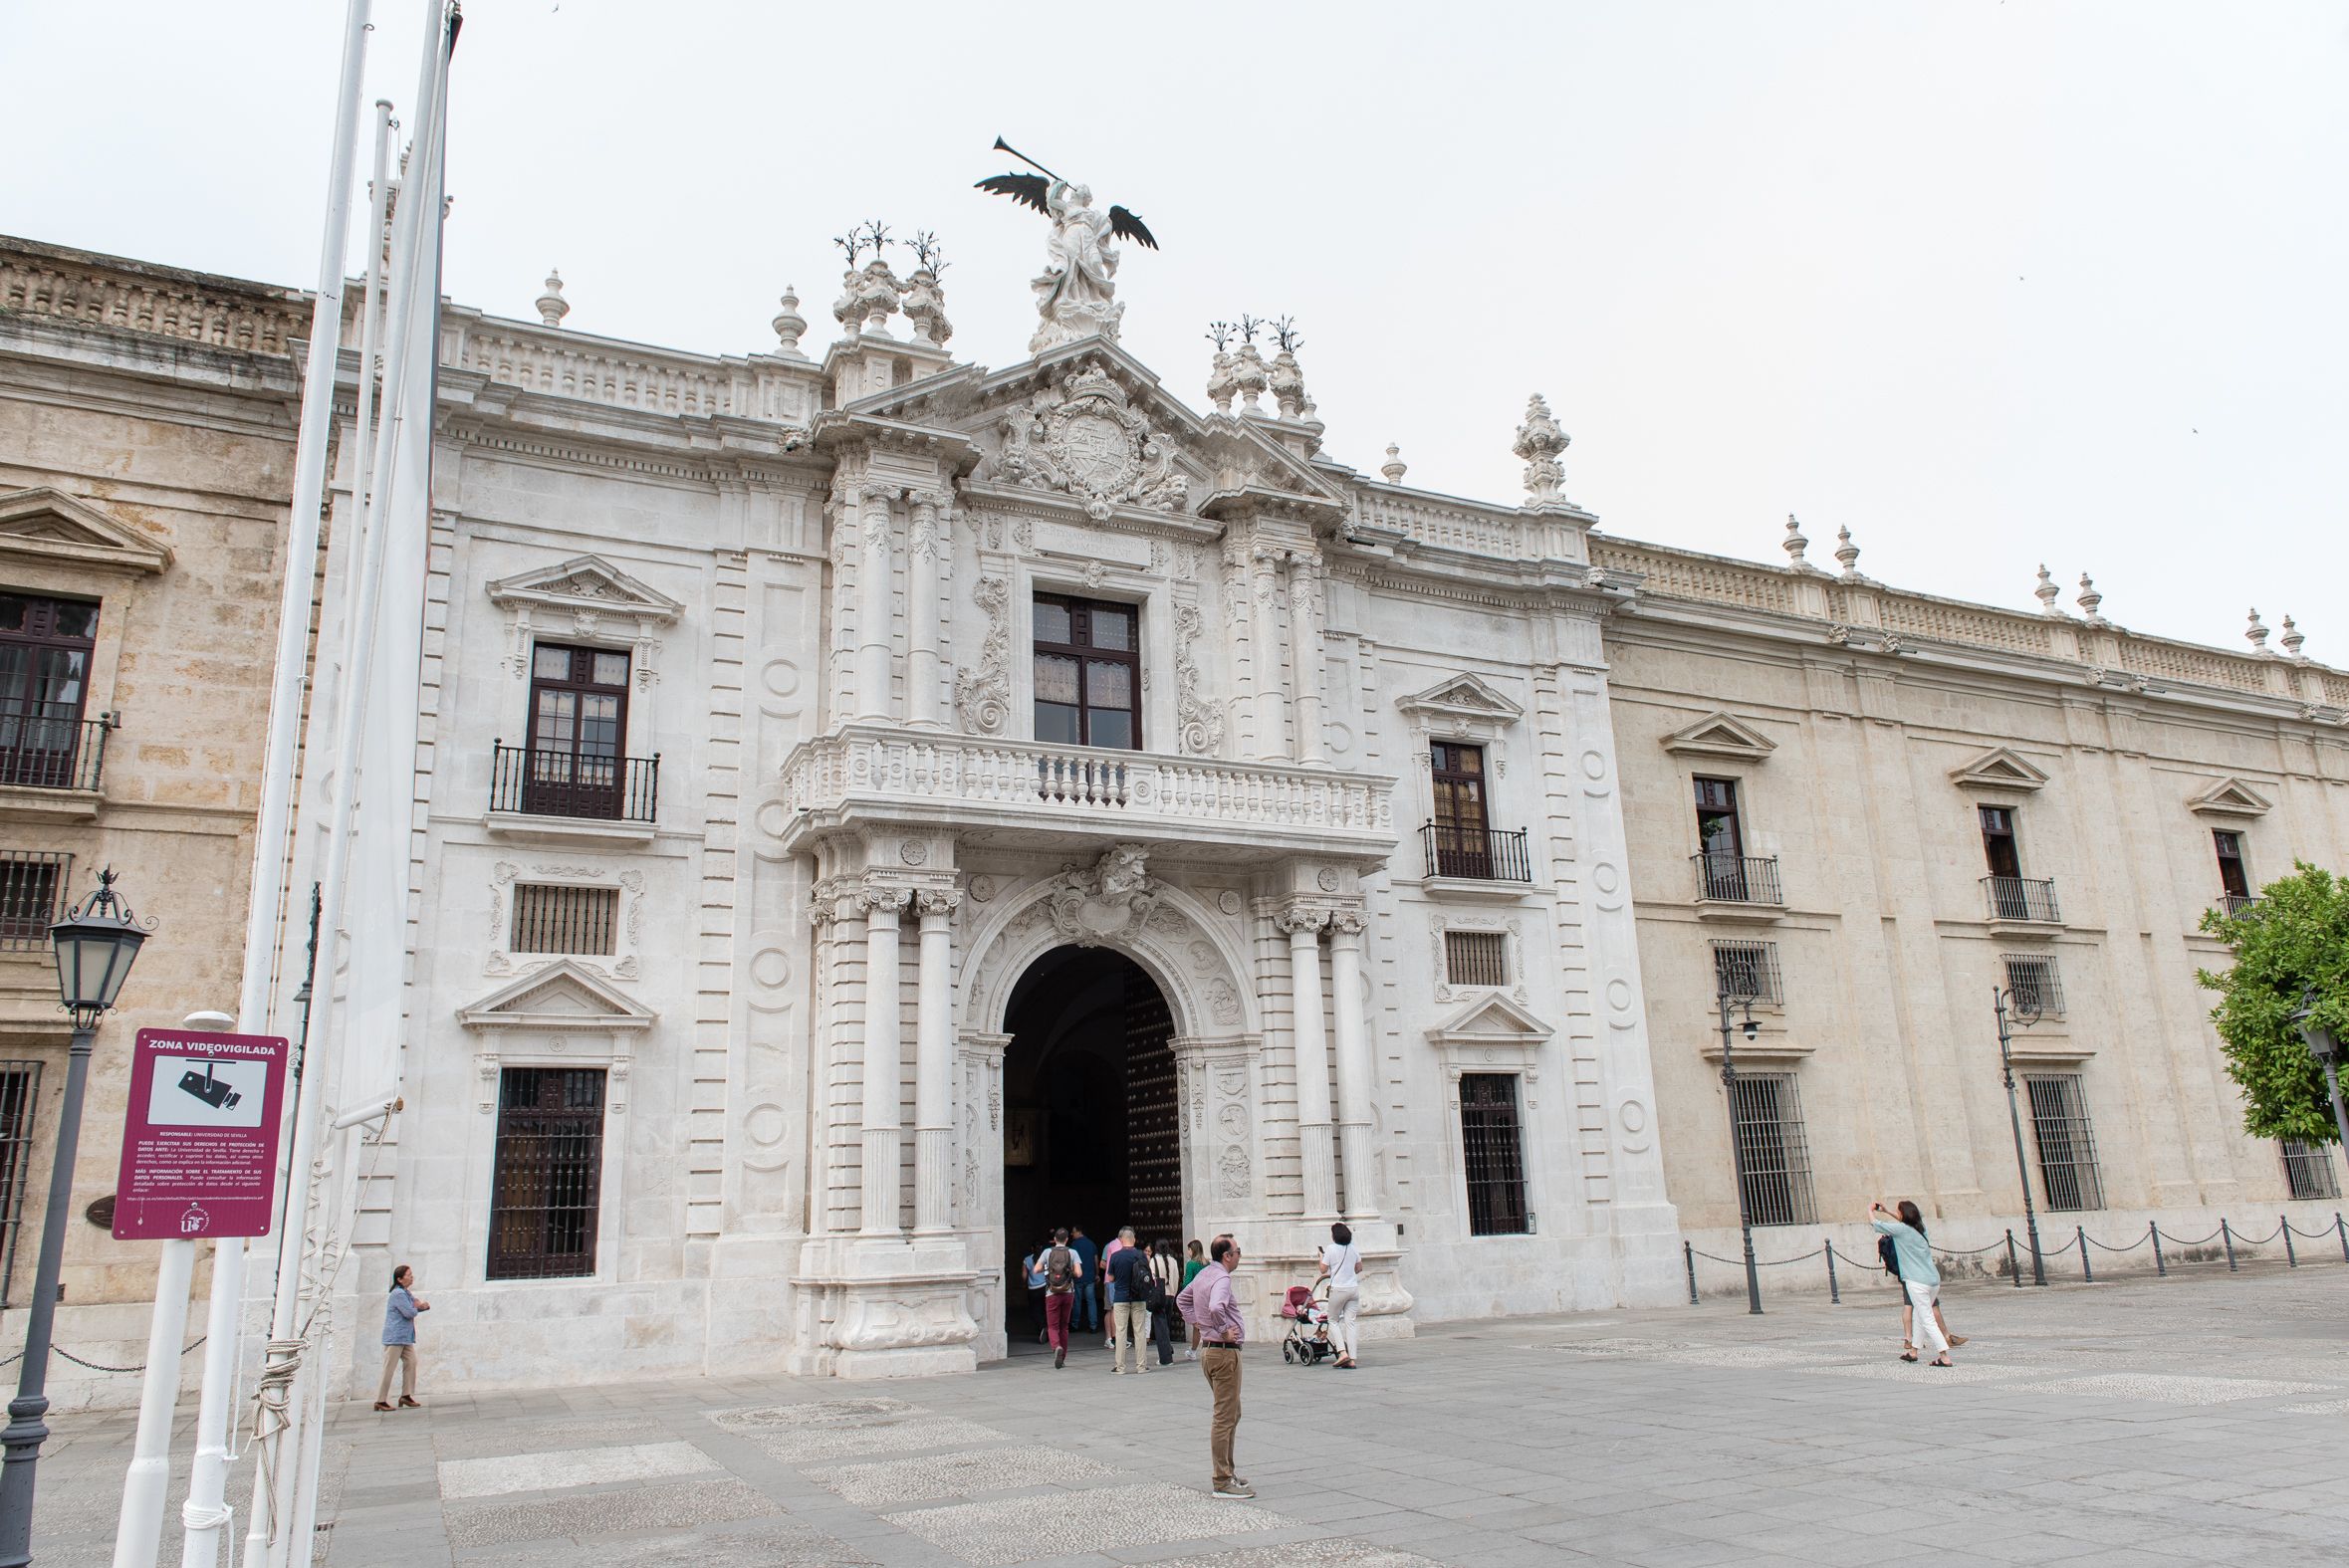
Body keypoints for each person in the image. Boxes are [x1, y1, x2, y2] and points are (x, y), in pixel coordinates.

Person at [1175, 1233, 1251, 1499]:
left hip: (1210, 1352)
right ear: (1227, 1256)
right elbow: (1217, 1306)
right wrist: (1219, 1329)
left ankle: (1228, 1472)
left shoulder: (1204, 1274)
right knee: (1224, 1417)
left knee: (1232, 1412)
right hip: (1224, 1352)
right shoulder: (1221, 1278)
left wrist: (1198, 1323)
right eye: (1237, 1251)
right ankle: (1221, 1480)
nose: (1240, 1255)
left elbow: (1182, 1300)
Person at [1871, 1201, 1952, 1367]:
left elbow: (1875, 1224)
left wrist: (1870, 1210)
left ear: (1903, 1214)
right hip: (1933, 1280)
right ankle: (1913, 1351)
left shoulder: (1901, 1230)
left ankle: (1944, 1356)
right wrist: (1887, 1211)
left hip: (1917, 1281)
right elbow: (1904, 1221)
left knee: (1927, 1319)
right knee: (1919, 1315)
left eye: (1898, 1211)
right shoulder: (1921, 1229)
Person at [374, 1263, 428, 1412]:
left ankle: (406, 1395)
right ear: (399, 1279)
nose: (412, 1278)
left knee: (411, 1362)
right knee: (389, 1368)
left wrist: (419, 1306)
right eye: (409, 1275)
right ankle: (380, 1400)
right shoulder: (397, 1294)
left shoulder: (406, 1293)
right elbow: (409, 1312)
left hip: (405, 1337)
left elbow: (415, 1304)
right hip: (395, 1336)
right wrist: (419, 1306)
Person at [1317, 1221, 1363, 1370]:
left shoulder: (1330, 1249)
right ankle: (1352, 1359)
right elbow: (1359, 1268)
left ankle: (1342, 1353)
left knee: (1332, 1320)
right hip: (1353, 1289)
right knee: (1350, 1322)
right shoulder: (1353, 1248)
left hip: (1339, 1289)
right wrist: (1348, 1272)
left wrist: (1320, 1256)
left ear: (1334, 1236)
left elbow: (1323, 1269)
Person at [1106, 1225, 1151, 1373]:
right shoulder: (1141, 1255)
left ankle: (1120, 1367)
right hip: (1139, 1297)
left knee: (1120, 1332)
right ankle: (1141, 1366)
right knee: (1139, 1331)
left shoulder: (1115, 1256)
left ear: (1121, 1240)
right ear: (1134, 1239)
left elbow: (1111, 1278)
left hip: (1121, 1298)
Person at [1041, 1227, 1077, 1369]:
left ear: (1055, 1239)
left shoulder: (1047, 1252)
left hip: (1052, 1293)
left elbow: (1036, 1269)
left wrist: (1048, 1270)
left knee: (1052, 1325)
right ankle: (1063, 1357)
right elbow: (1079, 1273)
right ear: (1067, 1239)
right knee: (1064, 1326)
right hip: (1068, 1292)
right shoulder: (1072, 1252)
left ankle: (1056, 1347)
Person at [1148, 1237, 1183, 1367]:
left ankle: (1166, 1358)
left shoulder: (1154, 1260)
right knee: (1166, 1325)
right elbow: (1176, 1278)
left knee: (1160, 1327)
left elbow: (1152, 1278)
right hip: (1170, 1295)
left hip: (1159, 1296)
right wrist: (1173, 1293)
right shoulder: (1173, 1261)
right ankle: (1168, 1349)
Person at [1099, 1225, 1131, 1350]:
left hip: (1110, 1281)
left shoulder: (1110, 1244)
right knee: (1114, 1309)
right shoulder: (1118, 1245)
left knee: (1110, 1309)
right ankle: (1116, 1337)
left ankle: (1110, 1338)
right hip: (1114, 1281)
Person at [1068, 1226, 1100, 1335]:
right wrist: (1097, 1274)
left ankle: (1075, 1324)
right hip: (1090, 1277)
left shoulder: (1074, 1245)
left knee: (1077, 1302)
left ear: (1079, 1232)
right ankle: (1093, 1326)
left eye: (1073, 1232)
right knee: (1091, 1302)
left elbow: (1072, 1261)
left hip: (1078, 1277)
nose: (1072, 1234)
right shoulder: (1091, 1244)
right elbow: (1096, 1260)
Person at [1181, 1239, 1206, 1361]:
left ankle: (1194, 1351)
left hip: (1195, 1297)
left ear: (1193, 1250)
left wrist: (1183, 1283)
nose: (1188, 1252)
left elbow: (1187, 1283)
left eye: (1189, 1249)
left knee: (1197, 1325)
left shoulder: (1191, 1264)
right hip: (1206, 1297)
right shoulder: (1207, 1263)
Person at [1022, 1240, 1050, 1344]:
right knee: (1045, 1310)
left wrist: (1024, 1284)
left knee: (1034, 1312)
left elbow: (1024, 1275)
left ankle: (1042, 1327)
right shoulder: (1045, 1259)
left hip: (1033, 1289)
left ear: (1032, 1249)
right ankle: (1045, 1329)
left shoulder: (1027, 1260)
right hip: (1044, 1287)